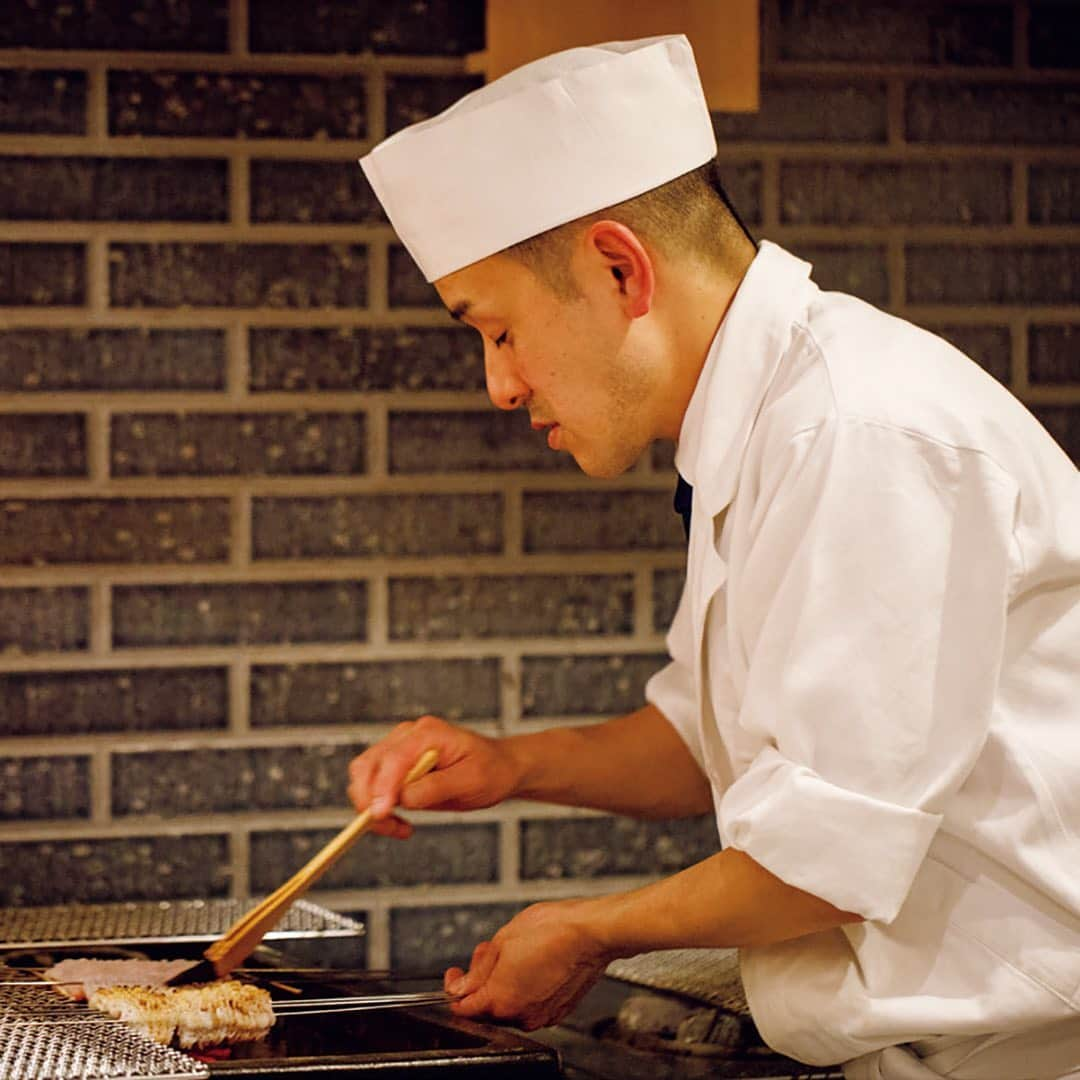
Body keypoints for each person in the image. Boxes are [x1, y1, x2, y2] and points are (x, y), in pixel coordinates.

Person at [347, 34, 1080, 1079]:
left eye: (498, 330)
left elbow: (826, 857)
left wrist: (591, 928)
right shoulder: (767, 426)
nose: (498, 386)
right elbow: (711, 742)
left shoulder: (859, 429)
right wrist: (512, 766)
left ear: (618, 268)